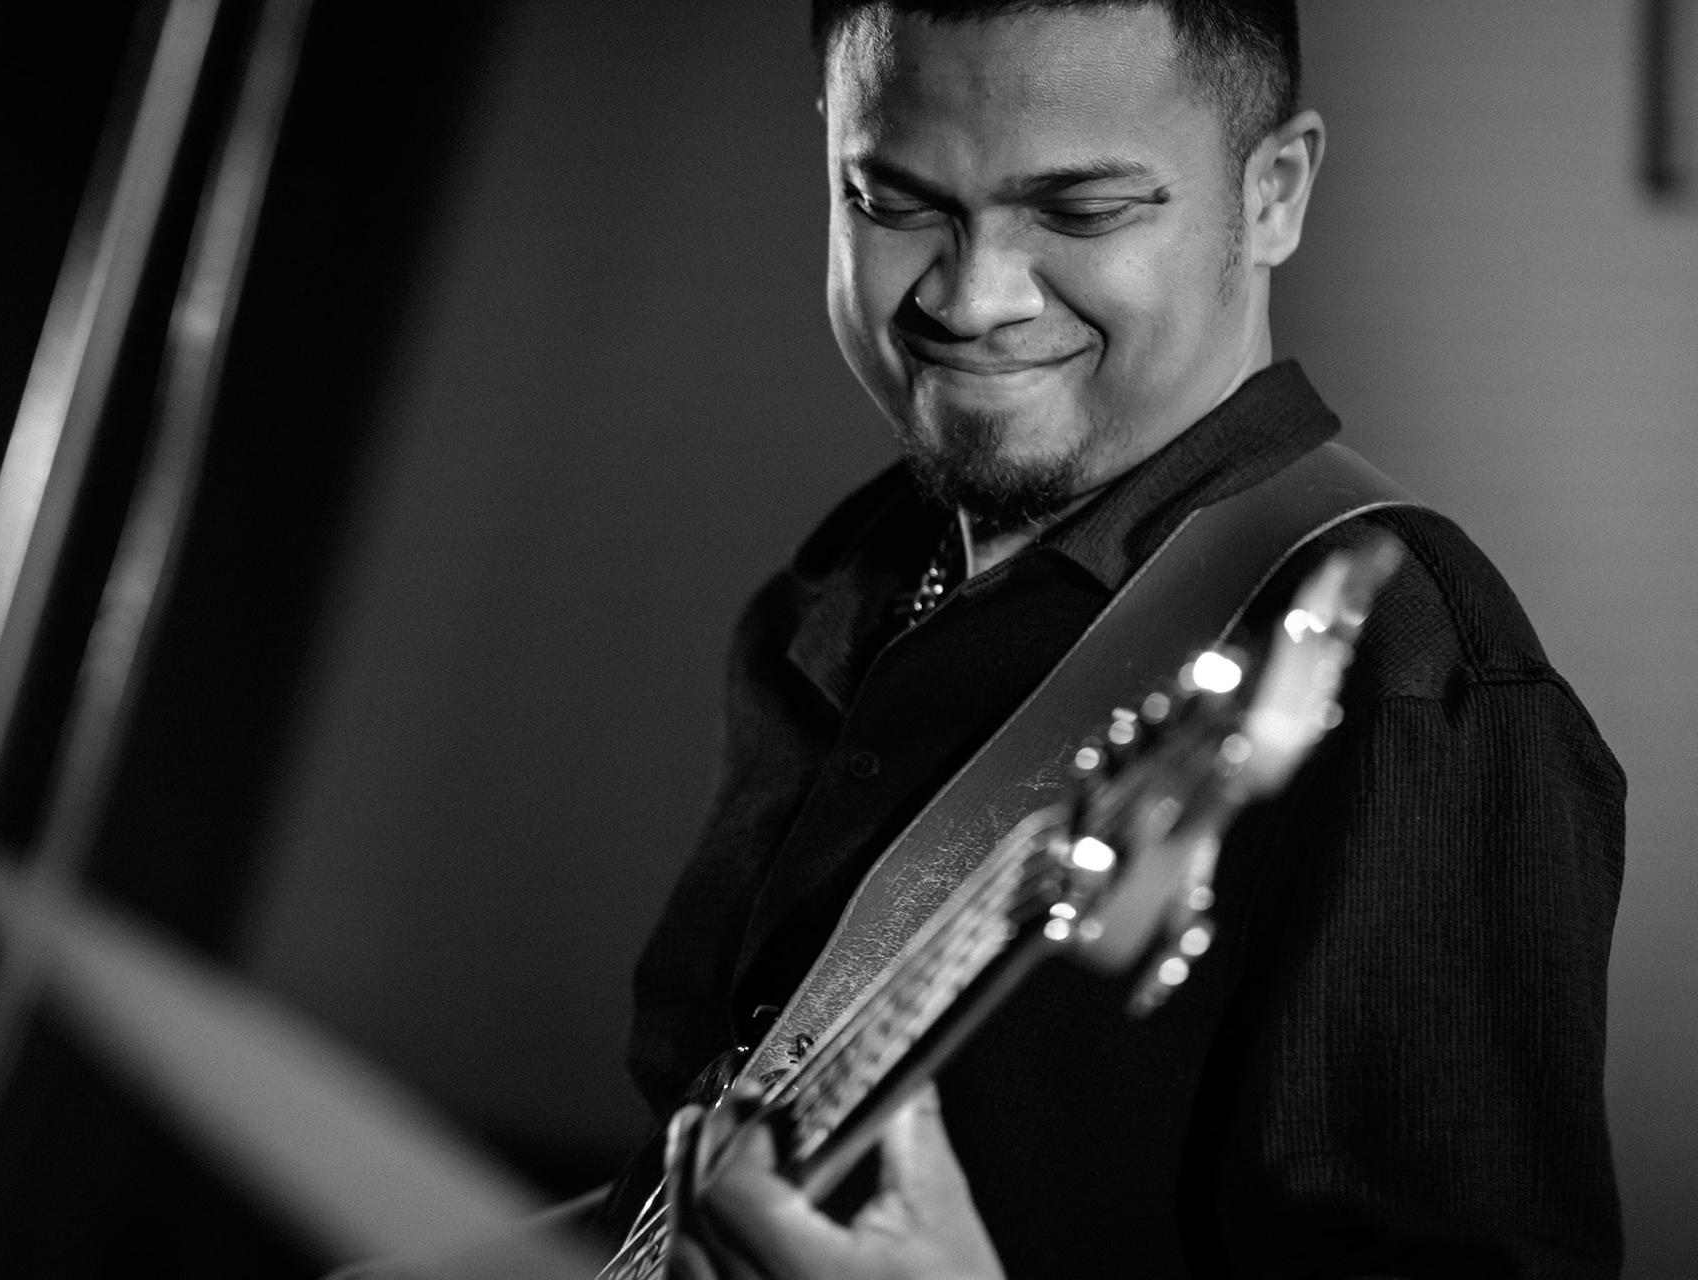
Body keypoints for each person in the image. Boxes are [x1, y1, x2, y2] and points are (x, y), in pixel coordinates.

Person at [622, 1, 1626, 1277]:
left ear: (1274, 193)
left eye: (1082, 212)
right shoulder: (839, 583)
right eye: (891, 201)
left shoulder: (1419, 686)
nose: (972, 298)